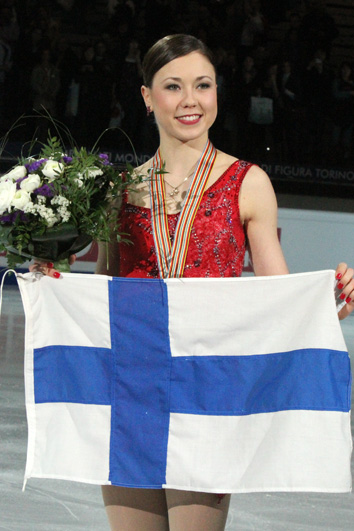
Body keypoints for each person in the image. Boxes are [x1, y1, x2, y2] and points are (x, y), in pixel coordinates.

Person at [30, 34, 354, 530]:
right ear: (146, 97)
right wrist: (53, 284)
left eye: (202, 85)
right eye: (173, 86)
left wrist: (325, 304)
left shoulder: (248, 182)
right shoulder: (120, 191)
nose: (190, 101)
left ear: (217, 93)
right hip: (130, 386)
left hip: (207, 392)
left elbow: (278, 298)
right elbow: (106, 295)